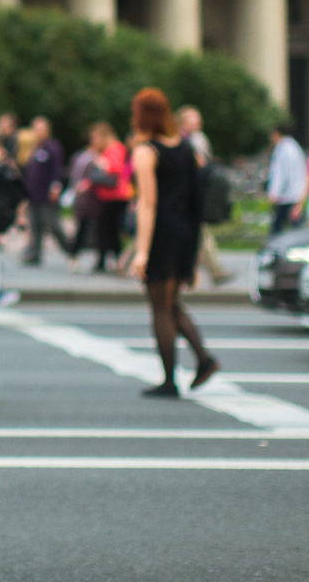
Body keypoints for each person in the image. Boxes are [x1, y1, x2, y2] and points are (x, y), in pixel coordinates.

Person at [127, 88, 219, 398]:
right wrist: (193, 250)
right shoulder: (186, 147)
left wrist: (141, 252)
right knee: (171, 303)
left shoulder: (146, 152)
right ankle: (204, 360)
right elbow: (195, 199)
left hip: (162, 234)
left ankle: (169, 380)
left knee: (160, 310)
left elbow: (147, 204)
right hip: (185, 232)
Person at [176, 105, 231, 285]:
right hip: (183, 196)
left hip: (192, 194)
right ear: (183, 121)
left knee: (199, 233)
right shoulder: (179, 140)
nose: (198, 121)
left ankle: (205, 272)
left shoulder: (198, 139)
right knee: (195, 234)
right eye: (194, 118)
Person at [21, 116, 65, 266]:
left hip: (46, 195)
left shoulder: (52, 147)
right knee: (35, 225)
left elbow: (56, 170)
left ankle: (70, 248)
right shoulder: (35, 148)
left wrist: (55, 187)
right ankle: (35, 253)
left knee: (53, 225)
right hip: (34, 194)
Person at [89, 121, 133, 274]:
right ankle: (111, 261)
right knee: (109, 229)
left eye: (95, 137)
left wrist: (101, 164)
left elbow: (115, 168)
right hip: (110, 196)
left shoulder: (114, 148)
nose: (93, 141)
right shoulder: (110, 148)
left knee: (110, 229)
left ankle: (115, 261)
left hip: (116, 196)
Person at [266, 121, 308, 235]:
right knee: (295, 226)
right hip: (295, 193)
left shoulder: (282, 149)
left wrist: (274, 192)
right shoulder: (294, 147)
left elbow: (281, 174)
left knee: (278, 228)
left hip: (286, 195)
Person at [64, 141, 99, 273]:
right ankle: (73, 254)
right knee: (84, 228)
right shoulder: (92, 159)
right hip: (87, 200)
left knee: (85, 228)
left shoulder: (80, 158)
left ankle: (74, 254)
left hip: (87, 199)